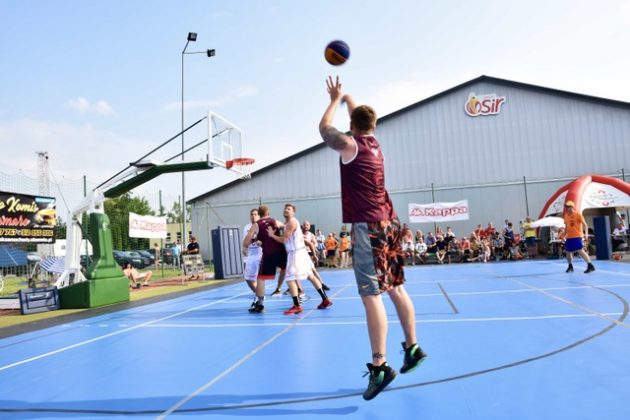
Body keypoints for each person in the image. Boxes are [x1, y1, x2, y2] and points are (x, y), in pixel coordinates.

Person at [319, 75, 427, 400]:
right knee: (395, 287)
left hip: (368, 226)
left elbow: (324, 129)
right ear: (373, 125)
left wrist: (335, 99)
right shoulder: (375, 144)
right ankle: (412, 347)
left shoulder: (350, 146)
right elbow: (362, 117)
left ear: (352, 125)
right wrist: (349, 97)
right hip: (389, 222)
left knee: (371, 295)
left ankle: (380, 367)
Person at [267, 203, 332, 314]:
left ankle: (296, 305)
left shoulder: (292, 222)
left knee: (289, 278)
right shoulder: (289, 223)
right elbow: (282, 226)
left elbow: (284, 240)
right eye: (285, 209)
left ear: (293, 212)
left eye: (289, 209)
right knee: (310, 276)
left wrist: (272, 235)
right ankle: (325, 299)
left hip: (296, 254)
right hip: (301, 252)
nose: (286, 210)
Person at [243, 205, 287, 313]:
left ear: (259, 214)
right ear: (268, 213)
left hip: (267, 254)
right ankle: (297, 296)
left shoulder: (256, 225)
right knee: (289, 272)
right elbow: (286, 227)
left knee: (261, 278)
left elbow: (246, 242)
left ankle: (260, 303)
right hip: (280, 252)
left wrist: (245, 245)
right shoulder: (275, 221)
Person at [562, 200, 595, 273]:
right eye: (566, 207)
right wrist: (564, 235)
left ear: (572, 207)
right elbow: (566, 227)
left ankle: (590, 265)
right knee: (568, 252)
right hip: (569, 237)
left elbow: (585, 225)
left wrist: (585, 234)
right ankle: (570, 266)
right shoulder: (566, 216)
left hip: (577, 236)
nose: (566, 208)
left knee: (580, 250)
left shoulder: (578, 214)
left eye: (568, 206)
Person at [242, 208, 261, 296]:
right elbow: (245, 241)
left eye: (256, 214)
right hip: (250, 254)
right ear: (250, 216)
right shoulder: (247, 227)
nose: (254, 216)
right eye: (252, 214)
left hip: (260, 253)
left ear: (259, 215)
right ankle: (257, 293)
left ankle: (259, 296)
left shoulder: (261, 226)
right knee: (247, 278)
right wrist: (244, 249)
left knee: (259, 277)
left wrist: (261, 243)